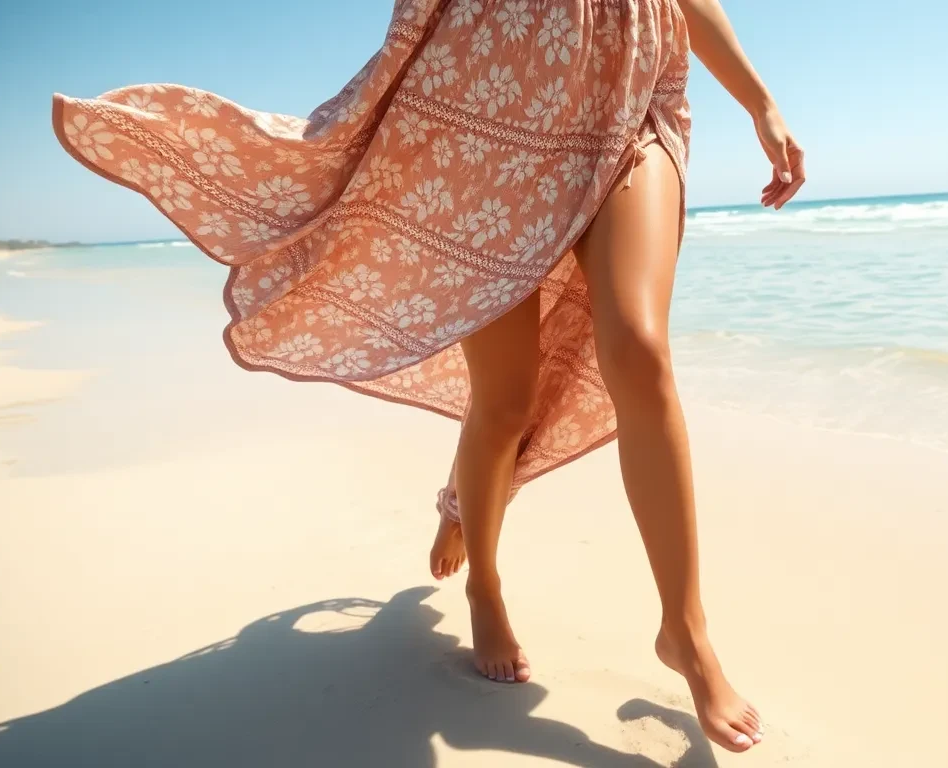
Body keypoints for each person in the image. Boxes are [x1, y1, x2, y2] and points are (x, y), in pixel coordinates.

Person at [52, 0, 804, 753]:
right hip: (486, 129)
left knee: (638, 349)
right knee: (505, 403)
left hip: (630, 106)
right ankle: (484, 580)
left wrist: (761, 104)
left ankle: (686, 633)